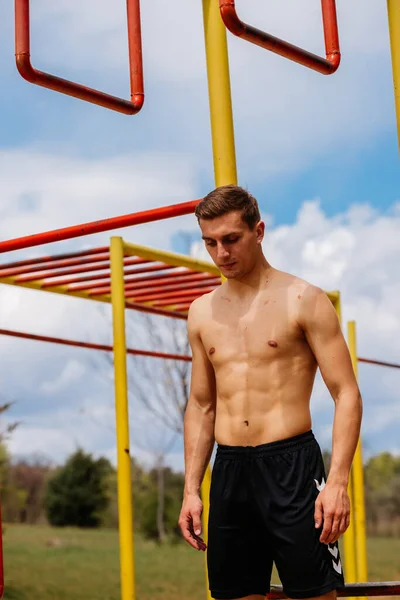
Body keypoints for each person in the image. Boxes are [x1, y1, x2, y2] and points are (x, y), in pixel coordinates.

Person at [178, 185, 362, 600]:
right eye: (210, 243)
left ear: (258, 231)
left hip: (293, 468)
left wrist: (337, 483)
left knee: (315, 595)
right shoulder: (201, 311)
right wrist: (191, 489)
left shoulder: (304, 299)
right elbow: (202, 405)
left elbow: (346, 393)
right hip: (229, 472)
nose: (221, 253)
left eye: (231, 239)